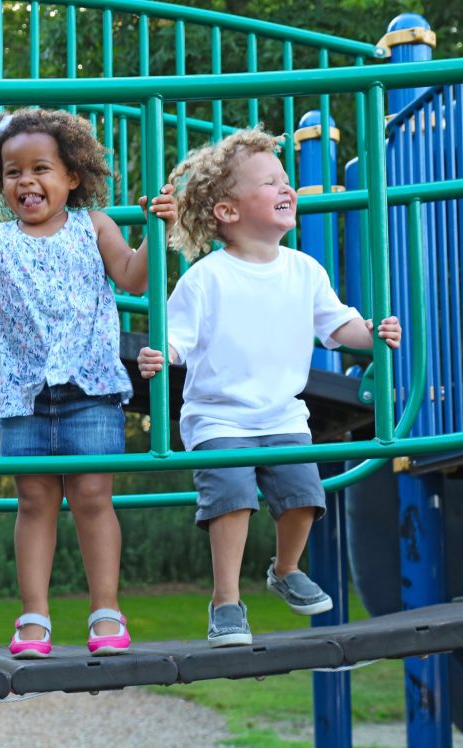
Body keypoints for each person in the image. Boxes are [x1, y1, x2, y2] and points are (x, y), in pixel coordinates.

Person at [0, 108, 177, 658]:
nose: (26, 182)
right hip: (24, 394)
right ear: (0, 182)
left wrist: (160, 230)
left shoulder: (96, 225)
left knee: (92, 497)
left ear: (72, 177)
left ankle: (105, 610)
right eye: (13, 173)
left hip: (91, 386)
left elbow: (134, 275)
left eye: (41, 169)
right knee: (33, 501)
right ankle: (33, 616)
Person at [136, 127, 402, 647]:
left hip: (282, 414)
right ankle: (226, 601)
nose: (286, 188)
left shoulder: (304, 270)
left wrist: (370, 334)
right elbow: (177, 339)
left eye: (286, 179)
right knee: (233, 494)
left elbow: (337, 325)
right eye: (269, 182)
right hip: (218, 417)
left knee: (304, 493)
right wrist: (160, 354)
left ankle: (285, 569)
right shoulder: (206, 277)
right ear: (229, 212)